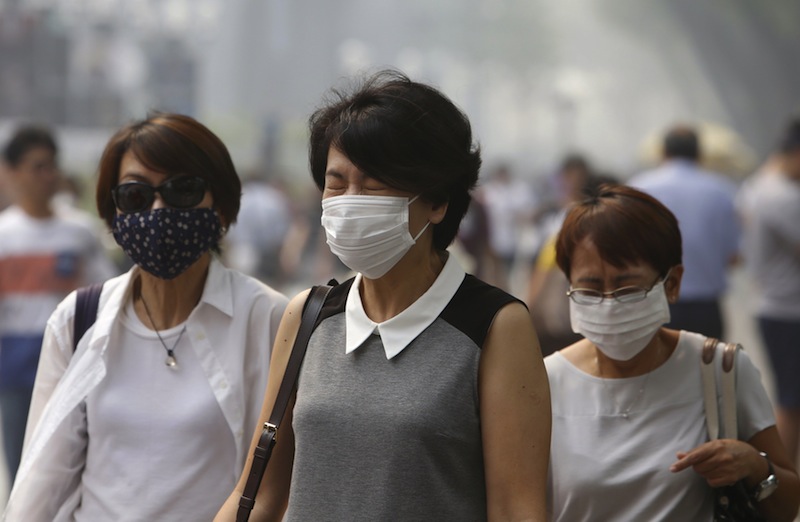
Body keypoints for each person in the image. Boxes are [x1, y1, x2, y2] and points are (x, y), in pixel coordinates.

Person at [216, 70, 551, 521]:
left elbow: (516, 509)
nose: (350, 201)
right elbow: (259, 495)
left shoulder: (495, 326)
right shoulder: (309, 315)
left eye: (374, 183)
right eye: (337, 183)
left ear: (437, 200)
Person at [3, 113, 289, 521]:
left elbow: (280, 486)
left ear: (221, 204)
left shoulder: (269, 319)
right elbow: (44, 482)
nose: (159, 209)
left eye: (183, 190)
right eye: (136, 196)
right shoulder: (79, 319)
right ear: (114, 214)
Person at [545, 183, 799, 521]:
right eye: (590, 289)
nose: (609, 304)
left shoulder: (720, 369)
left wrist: (753, 464)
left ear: (672, 284)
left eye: (628, 287)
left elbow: (786, 506)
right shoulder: (544, 382)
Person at [0, 126, 117, 489]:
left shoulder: (78, 232)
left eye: (52, 166)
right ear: (12, 171)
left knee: (73, 460)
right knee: (23, 463)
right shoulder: (4, 236)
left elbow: (107, 292)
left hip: (71, 357)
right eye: (37, 167)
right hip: (16, 361)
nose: (48, 176)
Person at [629, 124, 740, 339]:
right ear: (699, 154)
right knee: (708, 369)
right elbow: (733, 257)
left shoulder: (639, 188)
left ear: (663, 152)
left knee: (661, 371)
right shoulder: (721, 189)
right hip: (706, 308)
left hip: (655, 304)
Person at [738, 116, 800, 469]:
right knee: (792, 402)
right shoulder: (782, 196)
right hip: (788, 308)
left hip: (773, 304)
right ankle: (786, 477)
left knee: (791, 398)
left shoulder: (757, 186)